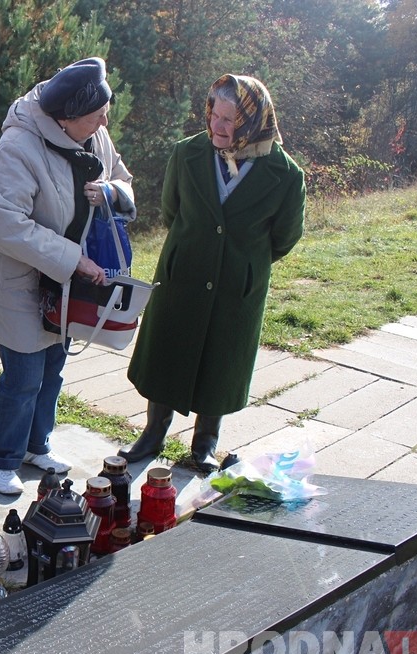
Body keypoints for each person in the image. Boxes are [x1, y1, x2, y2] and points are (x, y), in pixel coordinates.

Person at [123, 74, 305, 473]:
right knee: (168, 351)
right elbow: (172, 212)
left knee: (220, 361)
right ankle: (153, 434)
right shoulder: (186, 153)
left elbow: (284, 238)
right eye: (214, 116)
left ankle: (205, 443)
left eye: (230, 120)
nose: (217, 127)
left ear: (253, 121)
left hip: (236, 288)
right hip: (182, 275)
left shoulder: (286, 175)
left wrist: (243, 265)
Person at [0, 57, 135, 495]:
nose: (106, 122)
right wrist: (72, 259)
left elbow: (123, 179)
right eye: (98, 115)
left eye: (106, 112)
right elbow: (5, 223)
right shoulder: (19, 145)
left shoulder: (92, 131)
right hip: (24, 284)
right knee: (23, 376)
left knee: (53, 369)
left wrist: (112, 191)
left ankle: (36, 446)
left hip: (70, 285)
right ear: (66, 118)